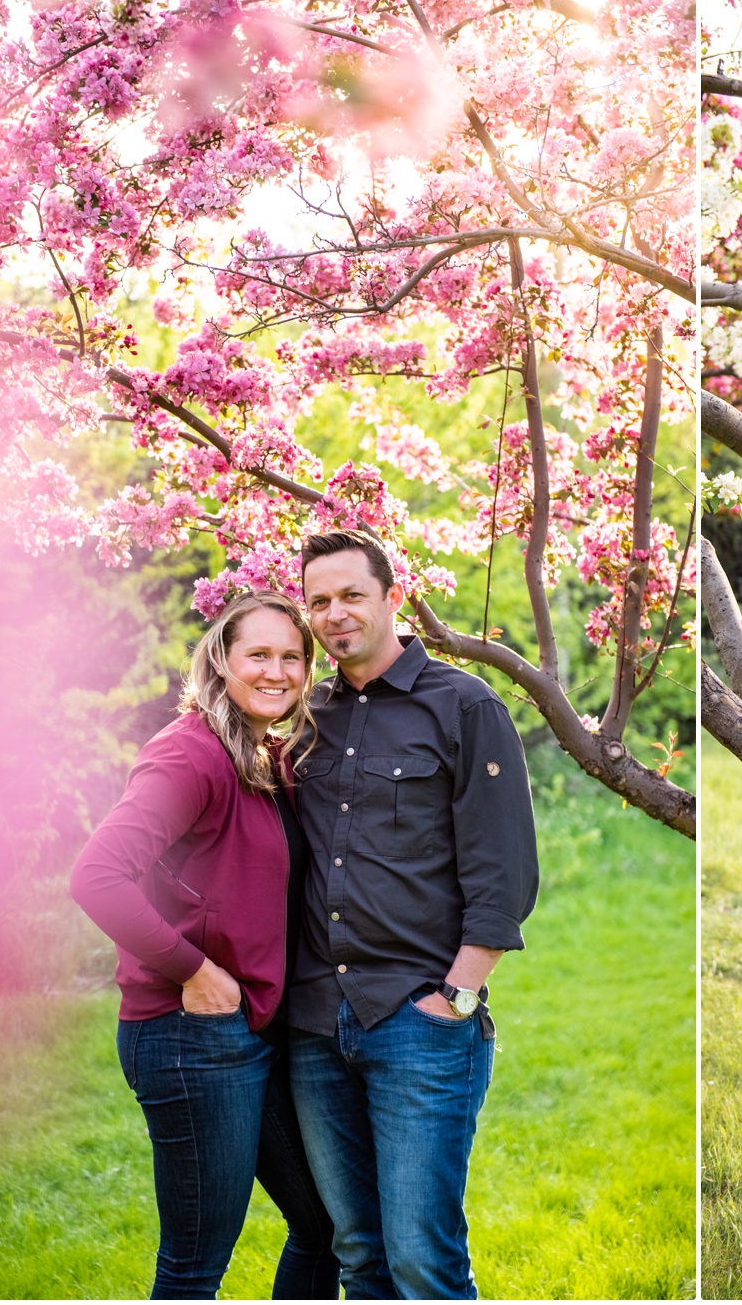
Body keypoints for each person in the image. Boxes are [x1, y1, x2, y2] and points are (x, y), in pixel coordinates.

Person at [288, 529, 539, 1300]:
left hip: (419, 1019)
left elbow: (506, 871)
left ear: (392, 597)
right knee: (358, 1252)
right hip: (314, 1023)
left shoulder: (464, 705)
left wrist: (456, 998)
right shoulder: (304, 715)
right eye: (320, 600)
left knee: (423, 1260)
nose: (336, 614)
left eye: (352, 595)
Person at [70, 591, 340, 1299]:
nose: (278, 670)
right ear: (221, 659)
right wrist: (193, 970)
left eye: (292, 656)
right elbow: (97, 876)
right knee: (194, 1268)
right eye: (259, 654)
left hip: (249, 1030)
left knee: (327, 1225)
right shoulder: (190, 754)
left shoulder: (262, 752)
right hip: (190, 1037)